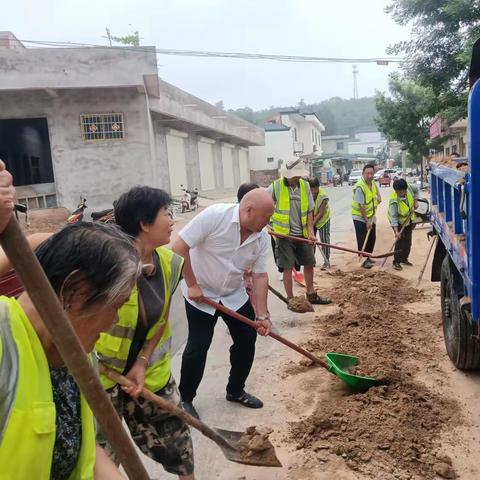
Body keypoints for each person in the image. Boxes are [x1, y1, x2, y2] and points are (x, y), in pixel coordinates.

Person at [0, 170, 141, 478]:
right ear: (75, 291)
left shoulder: (80, 359)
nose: (115, 320)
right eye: (114, 306)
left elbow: (84, 450)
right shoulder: (4, 335)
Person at [95, 186, 195, 480]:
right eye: (167, 213)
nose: (173, 220)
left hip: (151, 375)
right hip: (100, 380)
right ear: (144, 223)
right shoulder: (102, 265)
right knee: (99, 459)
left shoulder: (170, 263)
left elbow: (161, 319)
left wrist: (142, 361)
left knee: (179, 448)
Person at [172, 189, 274, 420]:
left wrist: (261, 315)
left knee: (247, 339)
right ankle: (186, 398)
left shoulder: (262, 237)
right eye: (266, 217)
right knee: (198, 346)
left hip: (233, 295)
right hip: (201, 295)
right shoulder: (215, 216)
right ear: (249, 211)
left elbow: (260, 276)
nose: (268, 222)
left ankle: (235, 390)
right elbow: (179, 247)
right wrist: (192, 284)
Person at [268, 159, 331, 308]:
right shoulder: (275, 187)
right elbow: (264, 205)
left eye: (298, 175)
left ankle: (311, 294)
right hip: (284, 236)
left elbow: (309, 210)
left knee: (309, 262)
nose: (296, 178)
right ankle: (291, 300)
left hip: (302, 234)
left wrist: (310, 231)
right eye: (294, 175)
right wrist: (268, 226)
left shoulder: (305, 186)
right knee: (287, 267)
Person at [351, 164, 382, 269]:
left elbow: (378, 195)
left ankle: (368, 257)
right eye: (367, 173)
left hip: (371, 216)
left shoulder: (373, 183)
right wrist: (366, 221)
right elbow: (361, 206)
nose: (369, 176)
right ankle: (363, 260)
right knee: (362, 239)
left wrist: (378, 198)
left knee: (372, 238)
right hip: (360, 217)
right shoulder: (360, 186)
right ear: (363, 174)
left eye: (371, 173)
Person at [388, 179, 416, 271]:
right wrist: (396, 231)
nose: (398, 193)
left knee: (408, 241)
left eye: (400, 191)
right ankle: (396, 262)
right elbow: (394, 217)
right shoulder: (394, 200)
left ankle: (404, 259)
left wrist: (415, 201)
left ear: (405, 189)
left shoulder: (409, 190)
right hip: (398, 222)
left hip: (408, 220)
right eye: (396, 191)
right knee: (399, 241)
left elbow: (416, 190)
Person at [308, 177, 331, 269]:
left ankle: (326, 260)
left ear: (318, 187)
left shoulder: (323, 196)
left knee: (324, 240)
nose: (313, 191)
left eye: (315, 188)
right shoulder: (306, 194)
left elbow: (321, 213)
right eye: (311, 188)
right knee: (310, 241)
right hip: (310, 219)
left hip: (323, 220)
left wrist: (312, 224)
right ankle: (311, 261)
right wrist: (309, 225)